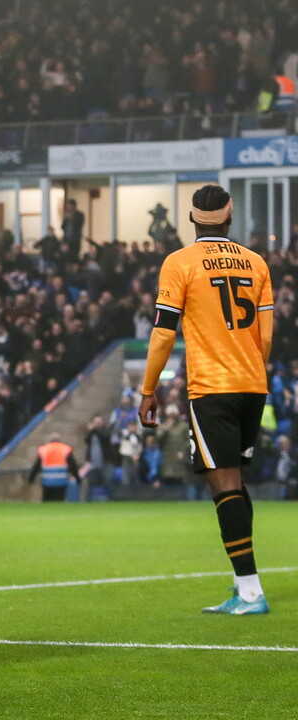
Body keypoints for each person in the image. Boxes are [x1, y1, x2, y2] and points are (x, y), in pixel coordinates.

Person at [139, 184, 274, 615]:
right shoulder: (256, 263)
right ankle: (243, 585)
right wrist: (251, 368)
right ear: (230, 218)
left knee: (224, 485)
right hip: (253, 384)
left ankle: (251, 591)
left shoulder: (179, 263)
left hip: (212, 387)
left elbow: (163, 332)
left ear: (192, 219)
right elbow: (266, 335)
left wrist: (148, 389)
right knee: (234, 481)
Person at [27, 432, 81, 501]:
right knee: (59, 503)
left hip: (47, 482)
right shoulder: (65, 449)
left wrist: (31, 479)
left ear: (50, 440)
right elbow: (73, 465)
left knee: (47, 504)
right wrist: (77, 478)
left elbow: (36, 466)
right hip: (61, 482)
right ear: (59, 440)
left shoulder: (44, 449)